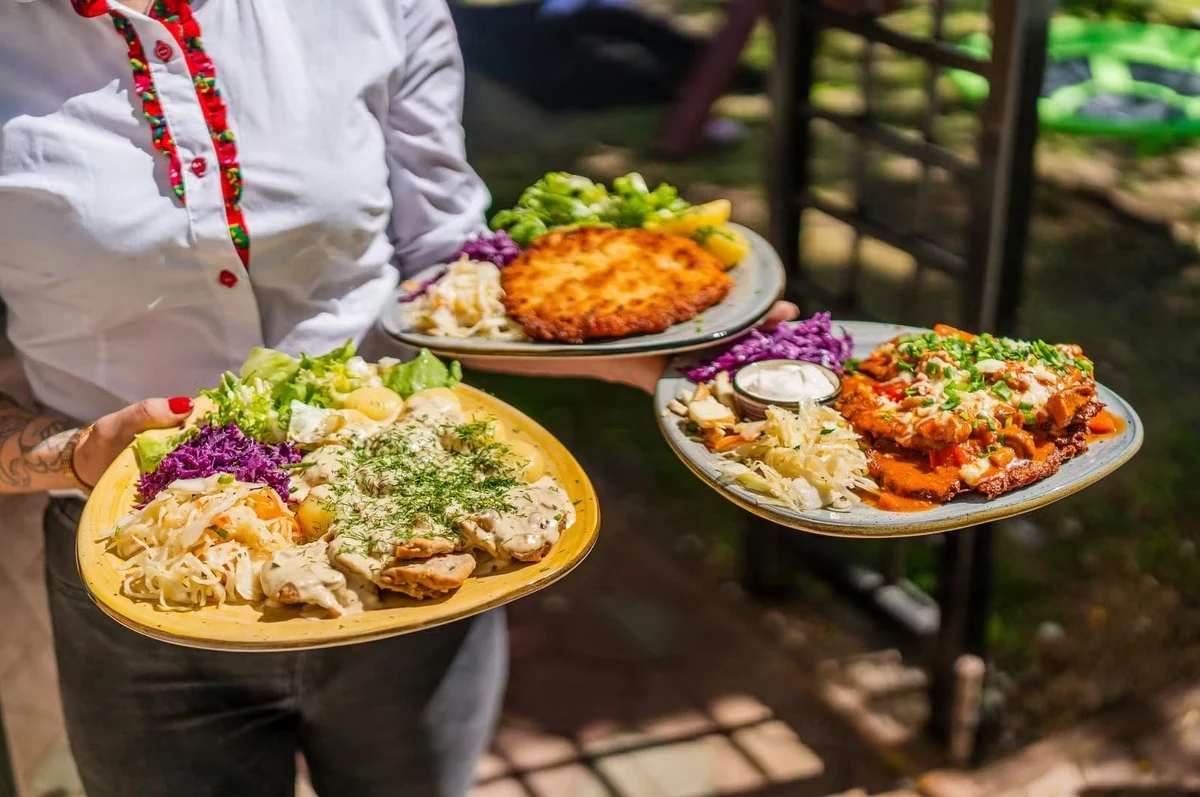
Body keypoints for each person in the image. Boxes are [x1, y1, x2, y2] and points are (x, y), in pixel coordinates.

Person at [0, 1, 796, 795]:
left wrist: (625, 354)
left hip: (413, 521)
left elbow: (443, 272)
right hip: (143, 566)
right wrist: (72, 453)